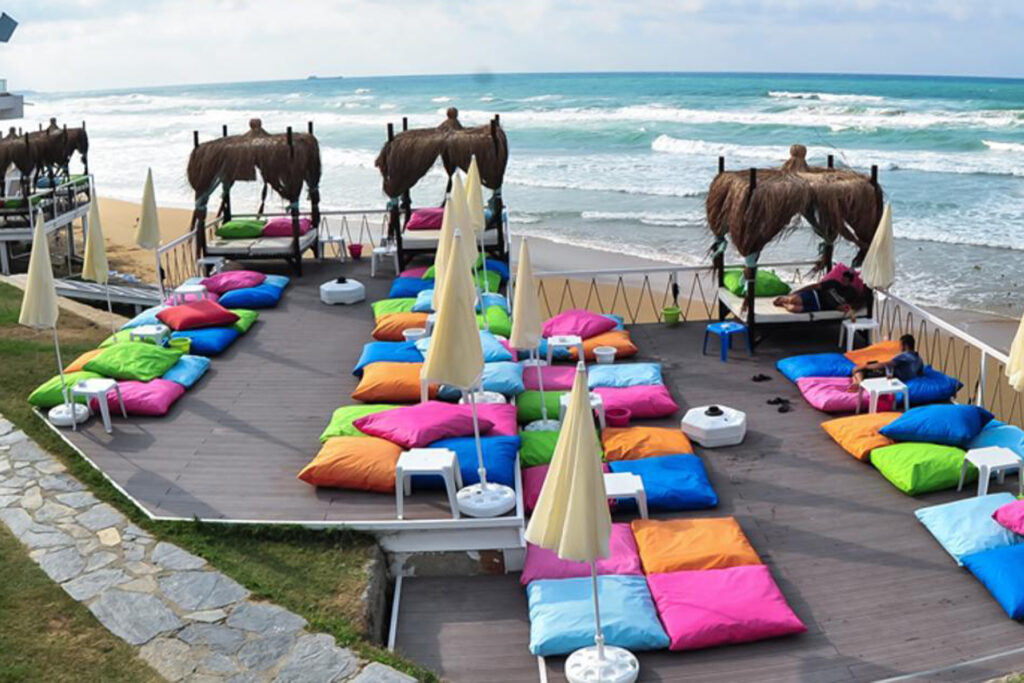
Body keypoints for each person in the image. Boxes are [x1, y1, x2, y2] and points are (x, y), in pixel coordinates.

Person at [848, 334, 925, 391]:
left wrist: (865, 366)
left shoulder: (904, 356)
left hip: (892, 376)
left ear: (905, 345)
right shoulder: (919, 359)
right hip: (904, 376)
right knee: (869, 365)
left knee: (859, 369)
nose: (899, 347)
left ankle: (859, 384)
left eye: (900, 344)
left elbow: (886, 364)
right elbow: (920, 372)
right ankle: (856, 382)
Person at [773, 271, 861, 316]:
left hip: (820, 307)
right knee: (794, 300)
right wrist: (799, 291)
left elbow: (855, 304)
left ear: (850, 282)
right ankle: (786, 299)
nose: (844, 281)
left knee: (794, 309)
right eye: (843, 279)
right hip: (815, 296)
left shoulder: (852, 293)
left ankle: (783, 304)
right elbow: (815, 286)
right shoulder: (833, 283)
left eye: (846, 280)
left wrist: (845, 307)